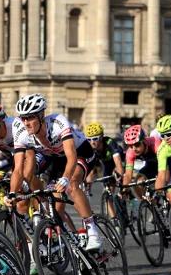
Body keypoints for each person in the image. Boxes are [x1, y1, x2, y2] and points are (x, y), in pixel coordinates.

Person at [10, 93, 102, 252]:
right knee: (54, 203)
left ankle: (92, 230)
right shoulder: (22, 134)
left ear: (41, 116)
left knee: (72, 184)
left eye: (30, 118)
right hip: (56, 158)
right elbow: (18, 169)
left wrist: (65, 179)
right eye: (23, 118)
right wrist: (12, 193)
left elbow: (71, 156)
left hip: (80, 153)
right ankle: (69, 240)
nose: (26, 123)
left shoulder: (57, 122)